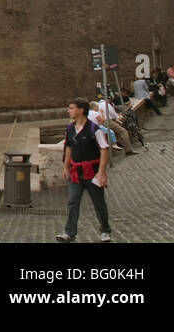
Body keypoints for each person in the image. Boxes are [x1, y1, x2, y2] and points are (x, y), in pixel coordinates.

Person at [56, 97, 113, 243]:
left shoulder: (94, 129)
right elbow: (68, 147)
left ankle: (105, 231)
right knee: (72, 201)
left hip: (92, 171)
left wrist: (101, 172)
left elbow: (104, 149)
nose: (69, 111)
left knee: (98, 202)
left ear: (81, 110)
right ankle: (69, 232)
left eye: (71, 108)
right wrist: (66, 166)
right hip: (76, 172)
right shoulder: (70, 128)